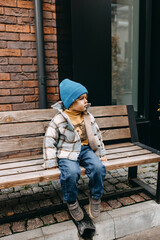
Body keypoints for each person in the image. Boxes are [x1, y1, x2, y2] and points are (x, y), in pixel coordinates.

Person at [43, 78, 107, 221]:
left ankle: (96, 197)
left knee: (98, 168)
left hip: (85, 150)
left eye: (86, 98)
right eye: (81, 99)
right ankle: (71, 202)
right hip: (67, 153)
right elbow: (49, 140)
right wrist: (50, 162)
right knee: (71, 173)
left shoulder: (88, 116)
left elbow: (97, 135)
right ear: (71, 101)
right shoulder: (59, 120)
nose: (86, 101)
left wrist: (101, 154)